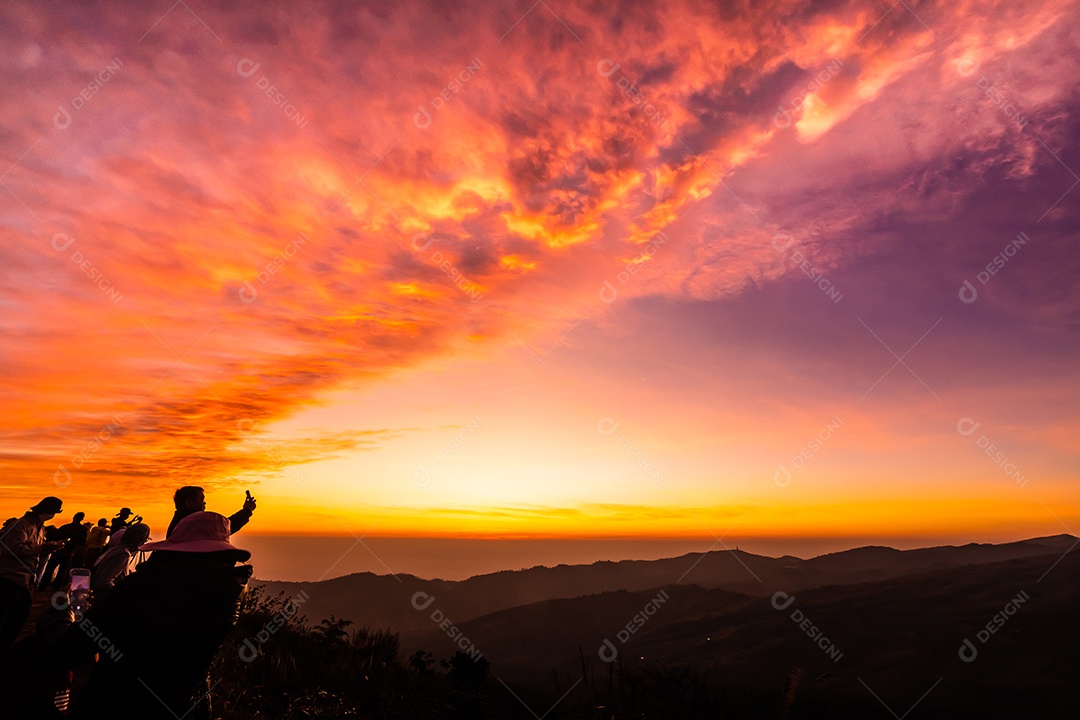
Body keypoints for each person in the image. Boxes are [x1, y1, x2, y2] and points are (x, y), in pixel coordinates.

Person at [63, 512, 253, 719]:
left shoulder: (141, 586)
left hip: (113, 701)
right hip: (180, 705)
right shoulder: (232, 591)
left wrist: (64, 612)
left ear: (177, 549)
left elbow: (72, 645)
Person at [0, 497, 66, 648]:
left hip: (26, 581)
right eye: (52, 513)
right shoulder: (21, 525)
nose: (52, 516)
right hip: (11, 578)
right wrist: (41, 548)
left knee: (18, 619)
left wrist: (47, 547)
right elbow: (13, 549)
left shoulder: (39, 527)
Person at [166, 486, 256, 538]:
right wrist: (247, 510)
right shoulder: (193, 522)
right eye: (201, 499)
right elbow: (224, 527)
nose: (204, 503)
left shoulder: (178, 522)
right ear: (189, 503)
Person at [90, 523, 150, 599]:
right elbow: (104, 583)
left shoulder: (114, 549)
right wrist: (123, 593)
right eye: (145, 540)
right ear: (140, 541)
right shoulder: (123, 554)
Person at [38, 512, 88, 591]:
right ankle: (56, 587)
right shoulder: (82, 529)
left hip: (58, 550)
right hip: (69, 552)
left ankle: (42, 586)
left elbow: (56, 536)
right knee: (62, 571)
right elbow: (82, 542)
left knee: (50, 569)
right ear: (82, 519)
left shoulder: (65, 527)